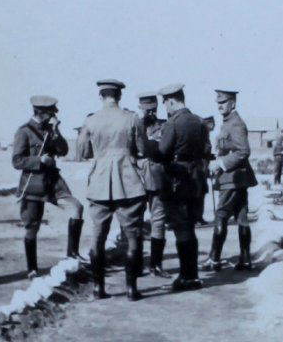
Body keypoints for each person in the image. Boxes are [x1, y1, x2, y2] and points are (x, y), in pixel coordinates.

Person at [77, 79, 148, 301]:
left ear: (101, 96)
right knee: (133, 236)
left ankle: (99, 289)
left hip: (99, 184)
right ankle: (131, 289)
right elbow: (143, 149)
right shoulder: (132, 118)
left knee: (97, 236)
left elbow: (82, 152)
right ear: (119, 96)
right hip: (129, 183)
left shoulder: (90, 121)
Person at [13, 95, 87, 279]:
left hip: (53, 183)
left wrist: (56, 131)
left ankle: (72, 253)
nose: (54, 115)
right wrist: (39, 160)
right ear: (40, 112)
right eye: (51, 113)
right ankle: (32, 269)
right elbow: (17, 160)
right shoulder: (24, 131)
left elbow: (63, 151)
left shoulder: (51, 130)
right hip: (33, 184)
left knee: (76, 207)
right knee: (32, 226)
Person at [149, 84, 204, 291]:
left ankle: (186, 277)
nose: (166, 108)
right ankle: (193, 275)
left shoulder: (173, 123)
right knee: (189, 226)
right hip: (196, 177)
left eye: (166, 104)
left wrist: (150, 146)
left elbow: (163, 152)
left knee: (181, 228)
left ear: (171, 101)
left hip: (177, 179)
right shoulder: (198, 122)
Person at [201, 89, 258, 272]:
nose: (220, 106)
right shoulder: (228, 123)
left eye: (224, 102)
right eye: (218, 103)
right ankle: (245, 259)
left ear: (232, 103)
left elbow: (244, 151)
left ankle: (214, 259)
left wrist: (221, 164)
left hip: (232, 178)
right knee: (242, 217)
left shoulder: (235, 124)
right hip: (237, 177)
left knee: (221, 215)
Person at [134, 92, 171, 278]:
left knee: (159, 221)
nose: (151, 114)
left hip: (157, 178)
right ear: (140, 108)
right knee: (137, 222)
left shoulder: (164, 126)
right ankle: (137, 264)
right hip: (137, 180)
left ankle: (156, 265)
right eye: (147, 110)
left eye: (154, 110)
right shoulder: (133, 125)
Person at [194, 116, 215, 226]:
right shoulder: (201, 137)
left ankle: (199, 217)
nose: (212, 126)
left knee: (202, 192)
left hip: (203, 168)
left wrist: (211, 156)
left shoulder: (206, 136)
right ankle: (196, 218)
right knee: (198, 193)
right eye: (211, 124)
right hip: (199, 169)